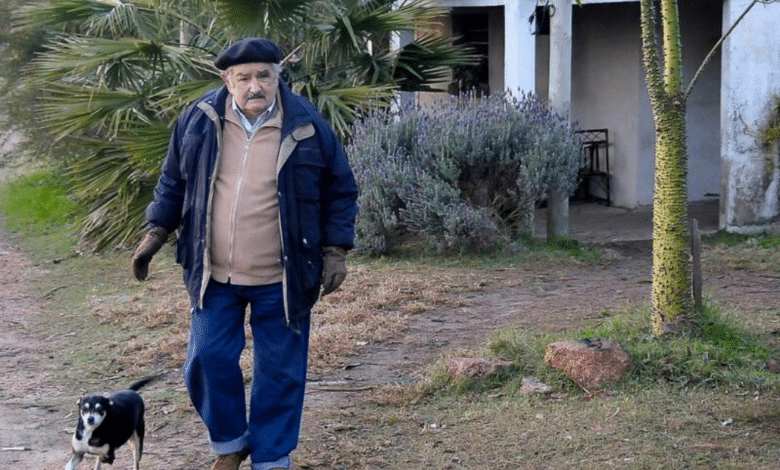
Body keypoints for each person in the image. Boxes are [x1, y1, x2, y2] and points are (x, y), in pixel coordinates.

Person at [131, 37, 359, 470]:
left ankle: (271, 458)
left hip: (284, 276)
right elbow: (173, 180)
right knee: (206, 358)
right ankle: (231, 443)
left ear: (277, 77)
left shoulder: (306, 123)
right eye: (245, 77)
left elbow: (340, 189)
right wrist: (156, 232)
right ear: (227, 80)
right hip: (214, 274)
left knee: (279, 370)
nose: (255, 86)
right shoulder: (199, 119)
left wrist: (335, 250)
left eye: (264, 76)